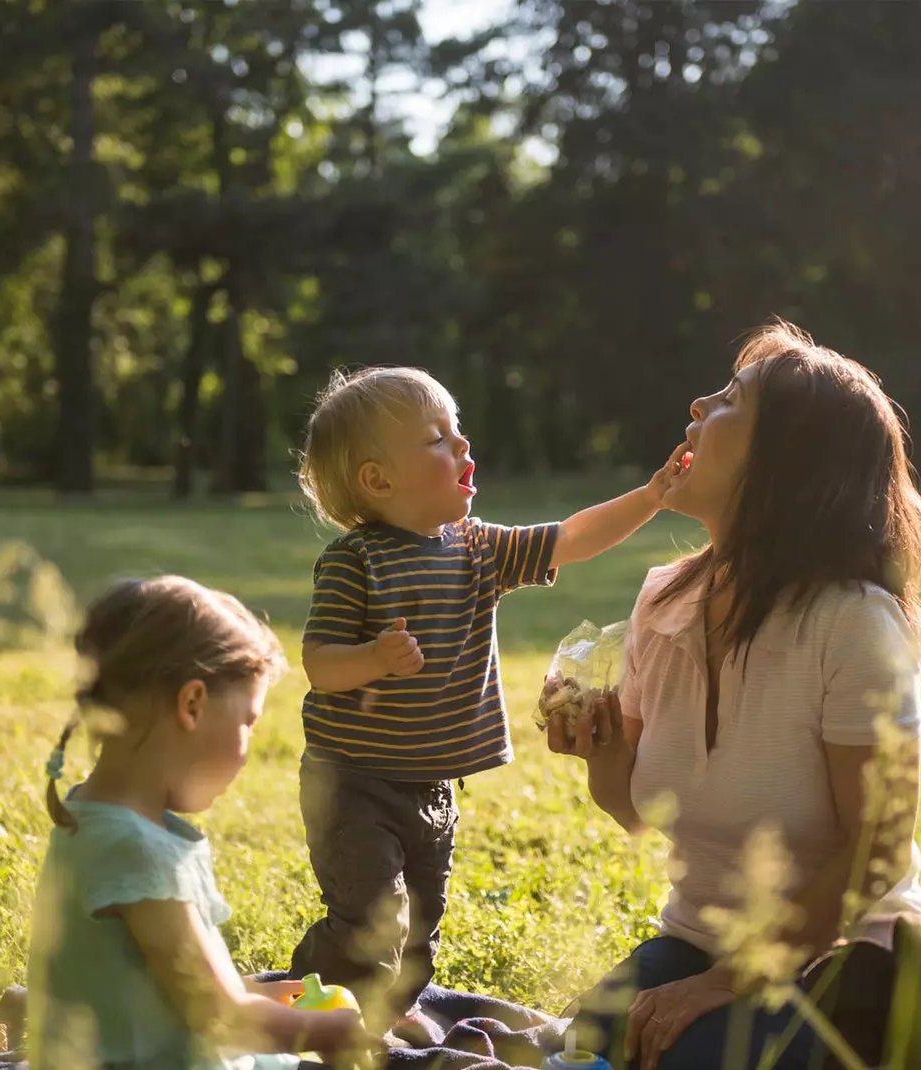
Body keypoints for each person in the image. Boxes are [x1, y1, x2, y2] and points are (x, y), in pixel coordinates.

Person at [548, 322, 921, 1070]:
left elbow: (876, 853)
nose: (697, 405)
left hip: (845, 956)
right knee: (580, 1048)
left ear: (782, 463)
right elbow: (638, 810)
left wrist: (723, 986)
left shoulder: (854, 622)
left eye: (729, 400)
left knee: (684, 1057)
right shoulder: (662, 601)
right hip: (699, 939)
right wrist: (601, 756)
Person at [288, 366, 689, 1025]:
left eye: (459, 431)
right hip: (352, 784)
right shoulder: (353, 561)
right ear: (378, 479)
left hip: (432, 787)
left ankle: (386, 1018)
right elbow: (318, 664)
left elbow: (571, 536)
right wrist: (372, 658)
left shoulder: (478, 549)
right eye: (437, 439)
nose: (463, 448)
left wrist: (652, 496)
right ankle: (310, 1001)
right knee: (372, 927)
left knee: (417, 939)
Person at [26, 575, 372, 1070]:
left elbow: (164, 990)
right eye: (247, 723)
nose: (249, 750)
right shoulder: (135, 849)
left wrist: (266, 997)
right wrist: (328, 1030)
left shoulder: (91, 816)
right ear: (192, 704)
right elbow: (221, 1018)